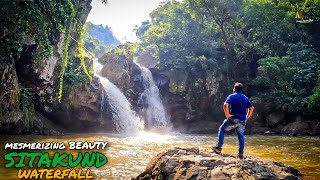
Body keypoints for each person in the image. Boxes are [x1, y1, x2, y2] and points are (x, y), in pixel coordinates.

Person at [212, 82, 254, 159]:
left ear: (234, 89)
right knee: (241, 137)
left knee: (222, 129)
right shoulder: (245, 98)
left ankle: (218, 148)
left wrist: (227, 115)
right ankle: (240, 154)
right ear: (241, 90)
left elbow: (225, 105)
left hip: (234, 119)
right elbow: (251, 108)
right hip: (242, 120)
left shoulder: (231, 96)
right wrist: (247, 117)